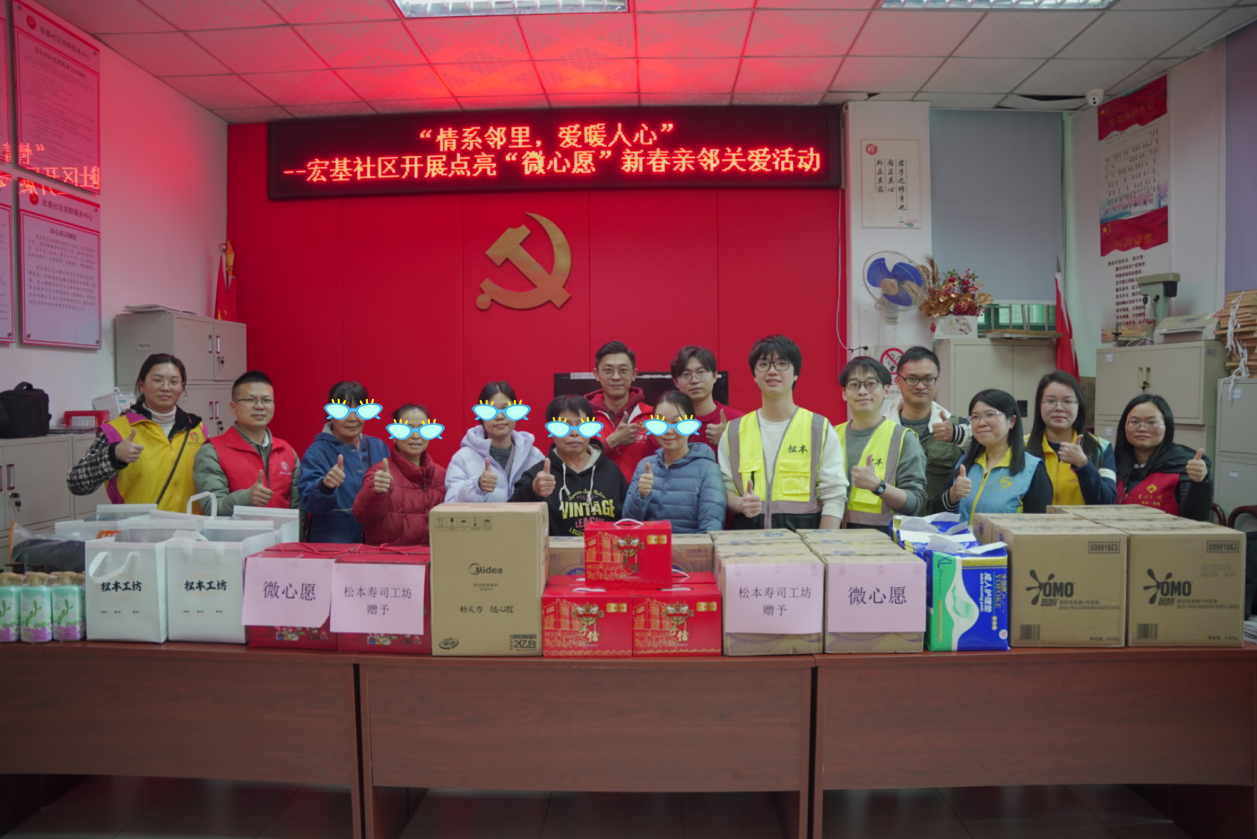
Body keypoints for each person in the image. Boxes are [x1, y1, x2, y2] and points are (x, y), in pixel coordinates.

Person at [718, 335, 848, 530]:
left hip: (803, 539)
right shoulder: (734, 431)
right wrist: (739, 503)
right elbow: (725, 488)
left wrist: (824, 542)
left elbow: (834, 494)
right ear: (754, 375)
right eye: (763, 364)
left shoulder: (819, 428)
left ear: (796, 374)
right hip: (747, 539)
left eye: (781, 363)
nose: (772, 371)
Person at [67, 353, 207, 513]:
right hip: (138, 527)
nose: (165, 387)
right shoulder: (117, 430)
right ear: (141, 384)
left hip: (192, 526)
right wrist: (113, 456)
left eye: (174, 382)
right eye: (158, 380)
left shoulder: (198, 429)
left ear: (181, 387)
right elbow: (76, 483)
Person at [511, 395, 629, 537]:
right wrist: (533, 490)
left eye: (581, 425)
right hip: (555, 551)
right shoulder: (539, 475)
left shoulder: (612, 472)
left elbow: (629, 518)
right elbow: (510, 516)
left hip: (604, 549)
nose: (574, 433)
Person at [834, 357, 927, 530]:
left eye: (871, 384)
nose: (862, 391)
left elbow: (915, 503)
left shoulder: (903, 439)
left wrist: (878, 486)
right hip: (833, 536)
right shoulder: (830, 436)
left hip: (884, 538)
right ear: (844, 393)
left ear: (885, 390)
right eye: (854, 385)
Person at [932, 389, 1053, 523]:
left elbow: (1039, 527)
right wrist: (953, 494)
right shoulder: (965, 462)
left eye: (990, 415)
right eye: (975, 417)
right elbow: (935, 512)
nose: (981, 423)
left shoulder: (1032, 469)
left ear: (1012, 421)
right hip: (962, 537)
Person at [193, 370, 301, 516]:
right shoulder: (212, 452)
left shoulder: (287, 451)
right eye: (250, 400)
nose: (260, 406)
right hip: (236, 532)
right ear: (233, 407)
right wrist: (246, 498)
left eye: (266, 400)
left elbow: (298, 507)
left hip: (283, 532)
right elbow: (211, 507)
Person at [298, 381, 390, 543]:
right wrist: (325, 486)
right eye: (343, 411)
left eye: (359, 410)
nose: (352, 418)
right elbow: (309, 504)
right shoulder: (316, 452)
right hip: (332, 546)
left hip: (374, 545)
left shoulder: (378, 446)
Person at [624, 391, 726, 534]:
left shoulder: (708, 470)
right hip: (650, 546)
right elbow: (627, 523)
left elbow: (710, 528)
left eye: (677, 423)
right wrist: (641, 496)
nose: (668, 430)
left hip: (690, 547)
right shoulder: (644, 466)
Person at [881, 346, 971, 501]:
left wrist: (959, 435)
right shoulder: (881, 428)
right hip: (891, 514)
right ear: (897, 381)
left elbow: (994, 445)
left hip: (940, 515)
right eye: (912, 379)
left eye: (928, 379)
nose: (920, 386)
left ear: (937, 381)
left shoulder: (958, 427)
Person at [354, 404, 447, 546]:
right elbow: (362, 515)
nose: (415, 436)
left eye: (422, 429)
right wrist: (375, 493)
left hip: (432, 557)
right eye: (406, 429)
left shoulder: (440, 474)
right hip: (388, 557)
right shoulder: (379, 474)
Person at [1114, 394, 1213, 520]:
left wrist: (1199, 483)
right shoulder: (1113, 462)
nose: (1142, 428)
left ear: (1167, 426)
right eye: (1134, 422)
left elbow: (1194, 516)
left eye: (1151, 422)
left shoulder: (1182, 464)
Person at [1025, 371, 1116, 506]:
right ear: (1040, 405)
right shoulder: (1021, 447)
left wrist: (1084, 465)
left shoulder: (1101, 448)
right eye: (1050, 401)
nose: (1059, 408)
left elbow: (1107, 503)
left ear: (1079, 406)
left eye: (1067, 401)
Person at [445, 381, 544, 503]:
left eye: (506, 409)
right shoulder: (462, 459)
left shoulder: (534, 456)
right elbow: (451, 505)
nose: (499, 416)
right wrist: (476, 486)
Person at [647, 346, 743, 455]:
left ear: (715, 375)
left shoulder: (739, 421)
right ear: (676, 382)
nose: (694, 380)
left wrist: (728, 440)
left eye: (701, 372)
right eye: (686, 374)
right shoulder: (660, 425)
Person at [586, 340, 653, 482]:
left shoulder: (653, 416)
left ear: (634, 374)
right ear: (596, 374)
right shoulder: (583, 417)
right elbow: (573, 461)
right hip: (595, 494)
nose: (616, 377)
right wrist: (612, 442)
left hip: (642, 493)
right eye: (608, 370)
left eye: (623, 370)